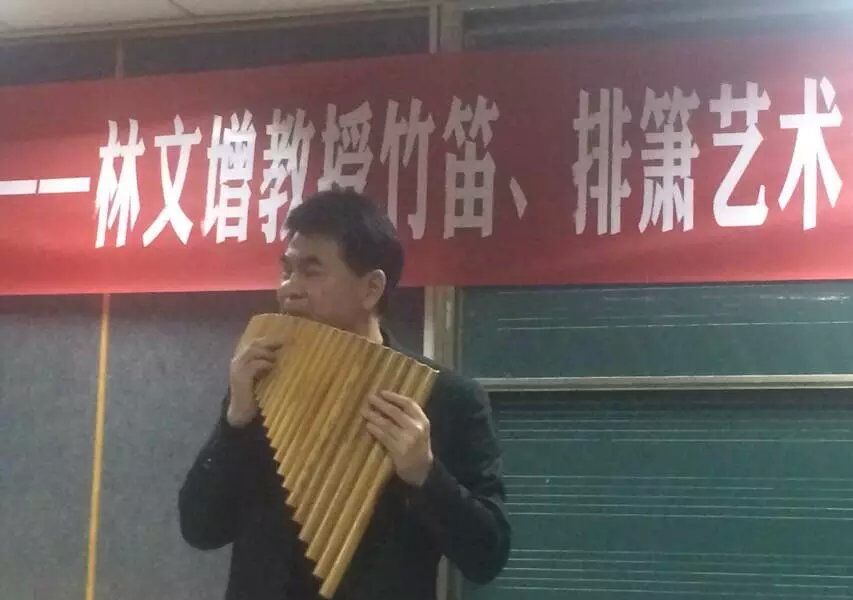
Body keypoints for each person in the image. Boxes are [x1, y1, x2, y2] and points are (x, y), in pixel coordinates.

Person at [178, 188, 510, 600]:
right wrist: (234, 424)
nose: (289, 289)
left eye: (311, 271)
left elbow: (487, 556)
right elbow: (200, 528)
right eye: (287, 270)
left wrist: (425, 474)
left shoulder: (447, 399)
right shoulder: (261, 381)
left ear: (371, 288)